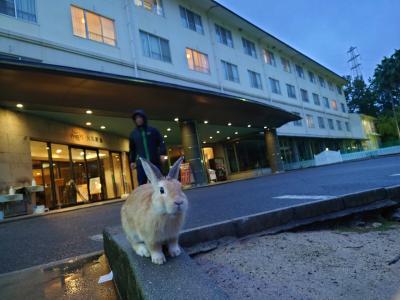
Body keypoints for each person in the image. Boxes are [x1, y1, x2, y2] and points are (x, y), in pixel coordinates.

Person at [129, 109, 167, 185]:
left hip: (154, 162)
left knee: (159, 182)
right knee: (142, 185)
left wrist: (162, 153)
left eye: (140, 117)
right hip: (141, 164)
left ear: (144, 118)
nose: (138, 119)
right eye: (136, 118)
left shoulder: (153, 130)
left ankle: (161, 196)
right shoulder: (133, 134)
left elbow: (161, 142)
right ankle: (145, 197)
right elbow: (132, 149)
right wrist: (132, 161)